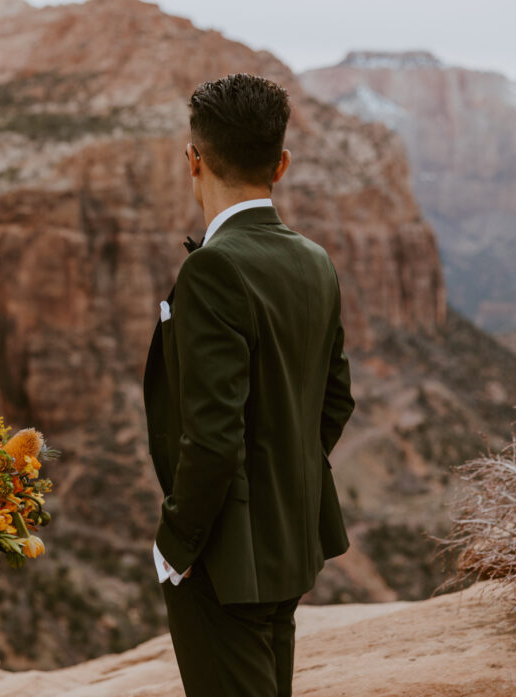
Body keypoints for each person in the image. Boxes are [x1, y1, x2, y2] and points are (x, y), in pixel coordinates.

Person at [143, 73, 356, 697]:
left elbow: (212, 438)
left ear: (194, 159)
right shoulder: (316, 260)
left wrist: (175, 543)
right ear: (281, 163)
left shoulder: (214, 266)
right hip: (290, 545)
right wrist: (285, 480)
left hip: (222, 559)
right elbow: (335, 399)